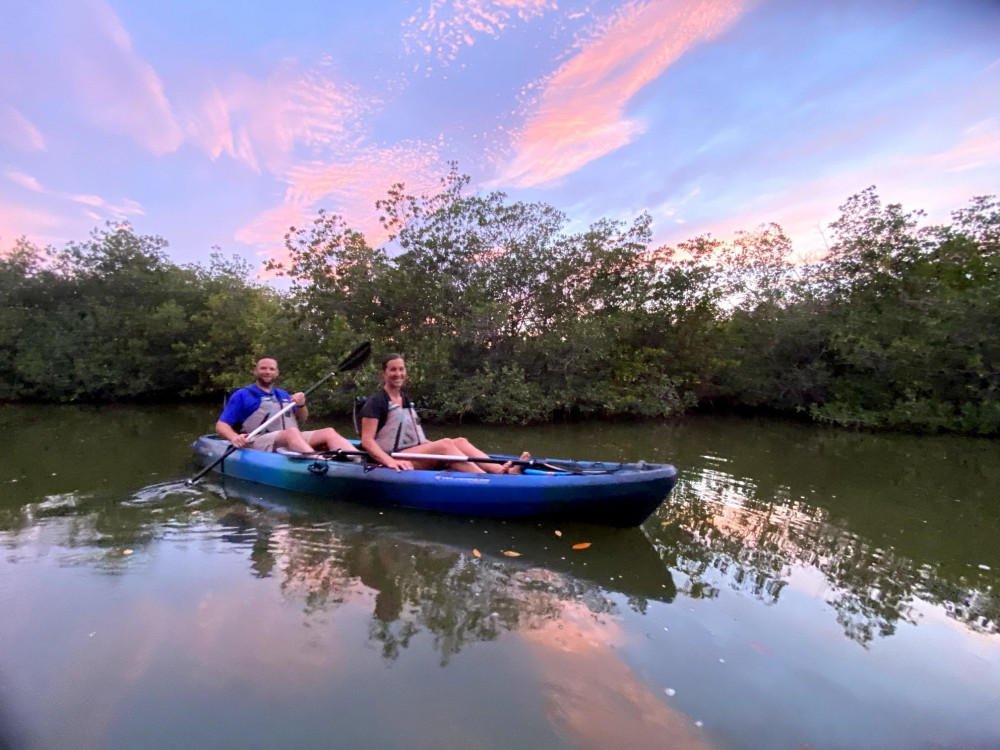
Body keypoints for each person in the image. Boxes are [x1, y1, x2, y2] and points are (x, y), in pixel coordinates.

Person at [358, 353, 529, 473]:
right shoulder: (377, 401)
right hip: (390, 456)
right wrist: (391, 462)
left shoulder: (404, 398)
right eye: (393, 370)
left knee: (459, 442)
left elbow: (418, 439)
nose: (398, 374)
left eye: (401, 369)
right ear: (384, 373)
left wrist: (449, 449)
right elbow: (367, 441)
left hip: (411, 451)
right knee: (445, 444)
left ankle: (500, 470)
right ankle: (486, 480)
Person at [216, 357, 356, 455]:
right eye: (263, 368)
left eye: (271, 369)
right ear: (256, 371)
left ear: (277, 373)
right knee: (292, 432)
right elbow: (221, 426)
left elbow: (303, 419)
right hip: (257, 441)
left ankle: (360, 460)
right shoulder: (242, 395)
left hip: (290, 438)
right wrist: (234, 438)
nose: (267, 372)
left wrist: (301, 405)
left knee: (328, 431)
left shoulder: (283, 394)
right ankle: (317, 461)